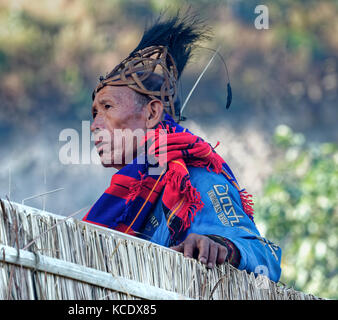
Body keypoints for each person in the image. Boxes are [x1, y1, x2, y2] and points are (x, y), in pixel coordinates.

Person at [82, 13, 282, 282]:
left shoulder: (194, 177)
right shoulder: (129, 198)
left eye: (107, 107)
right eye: (94, 113)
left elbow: (263, 255)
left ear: (152, 113)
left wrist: (218, 245)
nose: (94, 124)